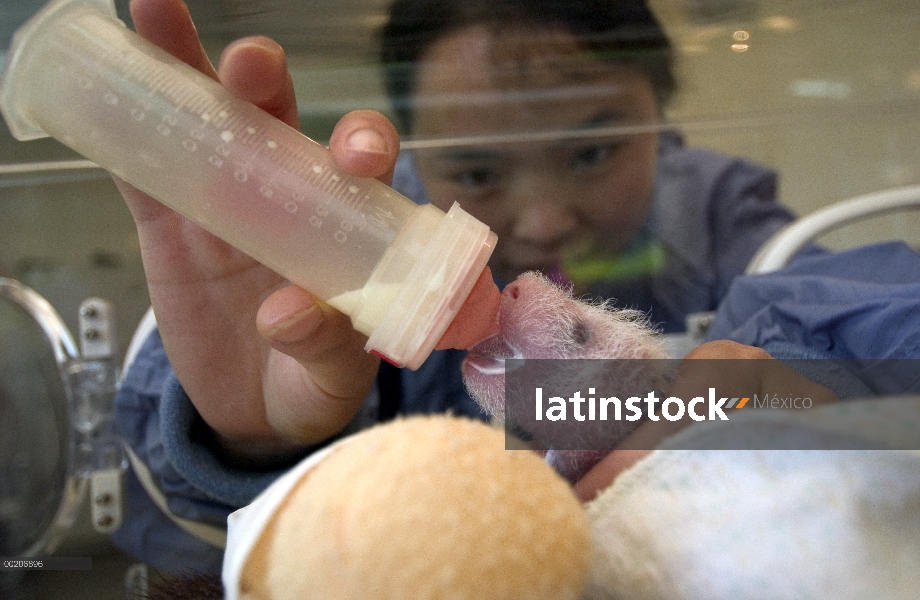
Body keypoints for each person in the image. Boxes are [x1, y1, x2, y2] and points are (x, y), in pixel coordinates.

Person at [111, 0, 801, 574]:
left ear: (662, 116)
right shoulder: (347, 242)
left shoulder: (714, 212)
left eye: (592, 152)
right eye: (475, 173)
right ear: (417, 148)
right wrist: (253, 447)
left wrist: (793, 391)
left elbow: (891, 330)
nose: (543, 221)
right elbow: (167, 524)